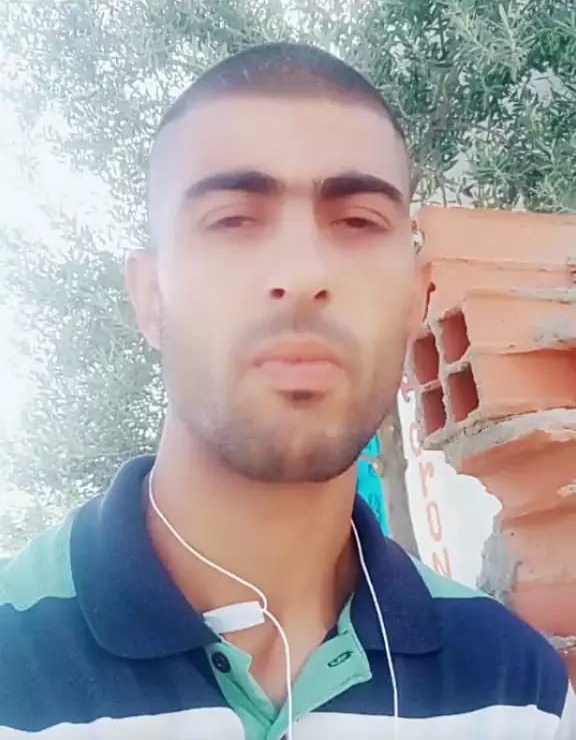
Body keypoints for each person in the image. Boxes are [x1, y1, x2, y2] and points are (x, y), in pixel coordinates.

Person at [0, 42, 573, 739]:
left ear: (415, 301)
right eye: (233, 219)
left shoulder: (519, 698)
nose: (303, 274)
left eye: (358, 221)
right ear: (150, 298)